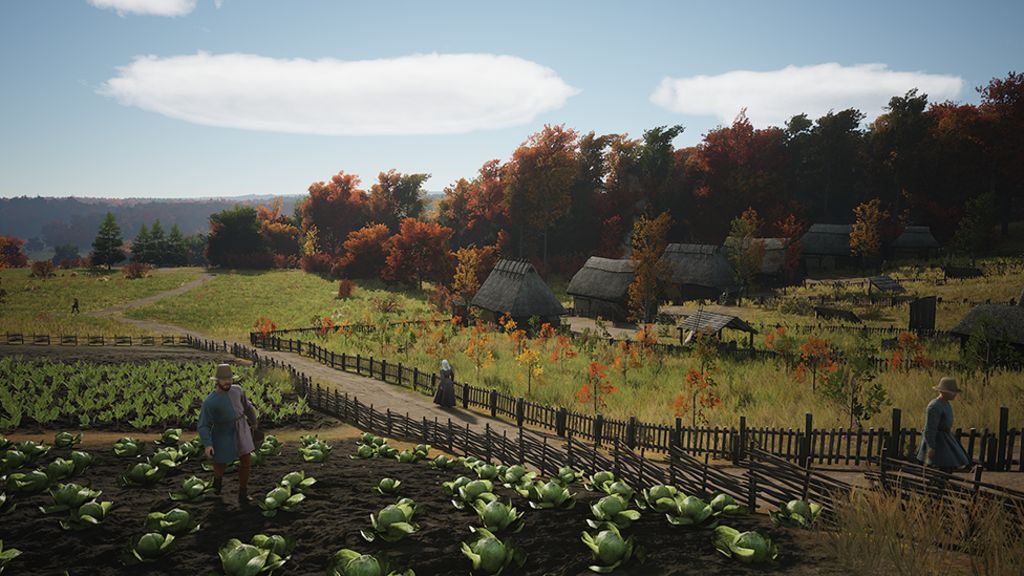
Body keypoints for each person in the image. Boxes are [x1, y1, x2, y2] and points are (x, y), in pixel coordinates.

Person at [198, 364, 258, 504]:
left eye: (229, 378)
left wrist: (253, 421)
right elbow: (203, 425)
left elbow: (247, 406)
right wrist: (208, 445)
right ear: (217, 381)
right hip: (222, 432)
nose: (228, 382)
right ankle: (217, 482)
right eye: (224, 379)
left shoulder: (237, 390)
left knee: (246, 460)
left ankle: (243, 492)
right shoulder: (210, 402)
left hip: (241, 427)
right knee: (221, 462)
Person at [916, 376, 970, 473]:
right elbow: (930, 428)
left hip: (945, 438)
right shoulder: (934, 406)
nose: (955, 395)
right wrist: (931, 446)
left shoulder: (945, 403)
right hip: (938, 441)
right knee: (939, 468)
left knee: (948, 466)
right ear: (945, 392)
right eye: (953, 392)